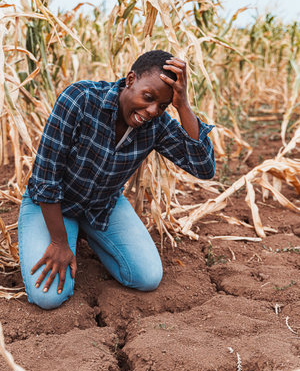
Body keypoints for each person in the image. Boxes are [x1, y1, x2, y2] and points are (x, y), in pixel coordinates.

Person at [18, 50, 215, 310]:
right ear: (131, 79)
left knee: (147, 277)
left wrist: (183, 105)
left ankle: (86, 232)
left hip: (102, 205)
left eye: (163, 105)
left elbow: (203, 166)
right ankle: (68, 233)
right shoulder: (80, 99)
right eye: (148, 97)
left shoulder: (156, 124)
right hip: (53, 204)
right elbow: (46, 179)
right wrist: (59, 242)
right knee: (48, 297)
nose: (152, 110)